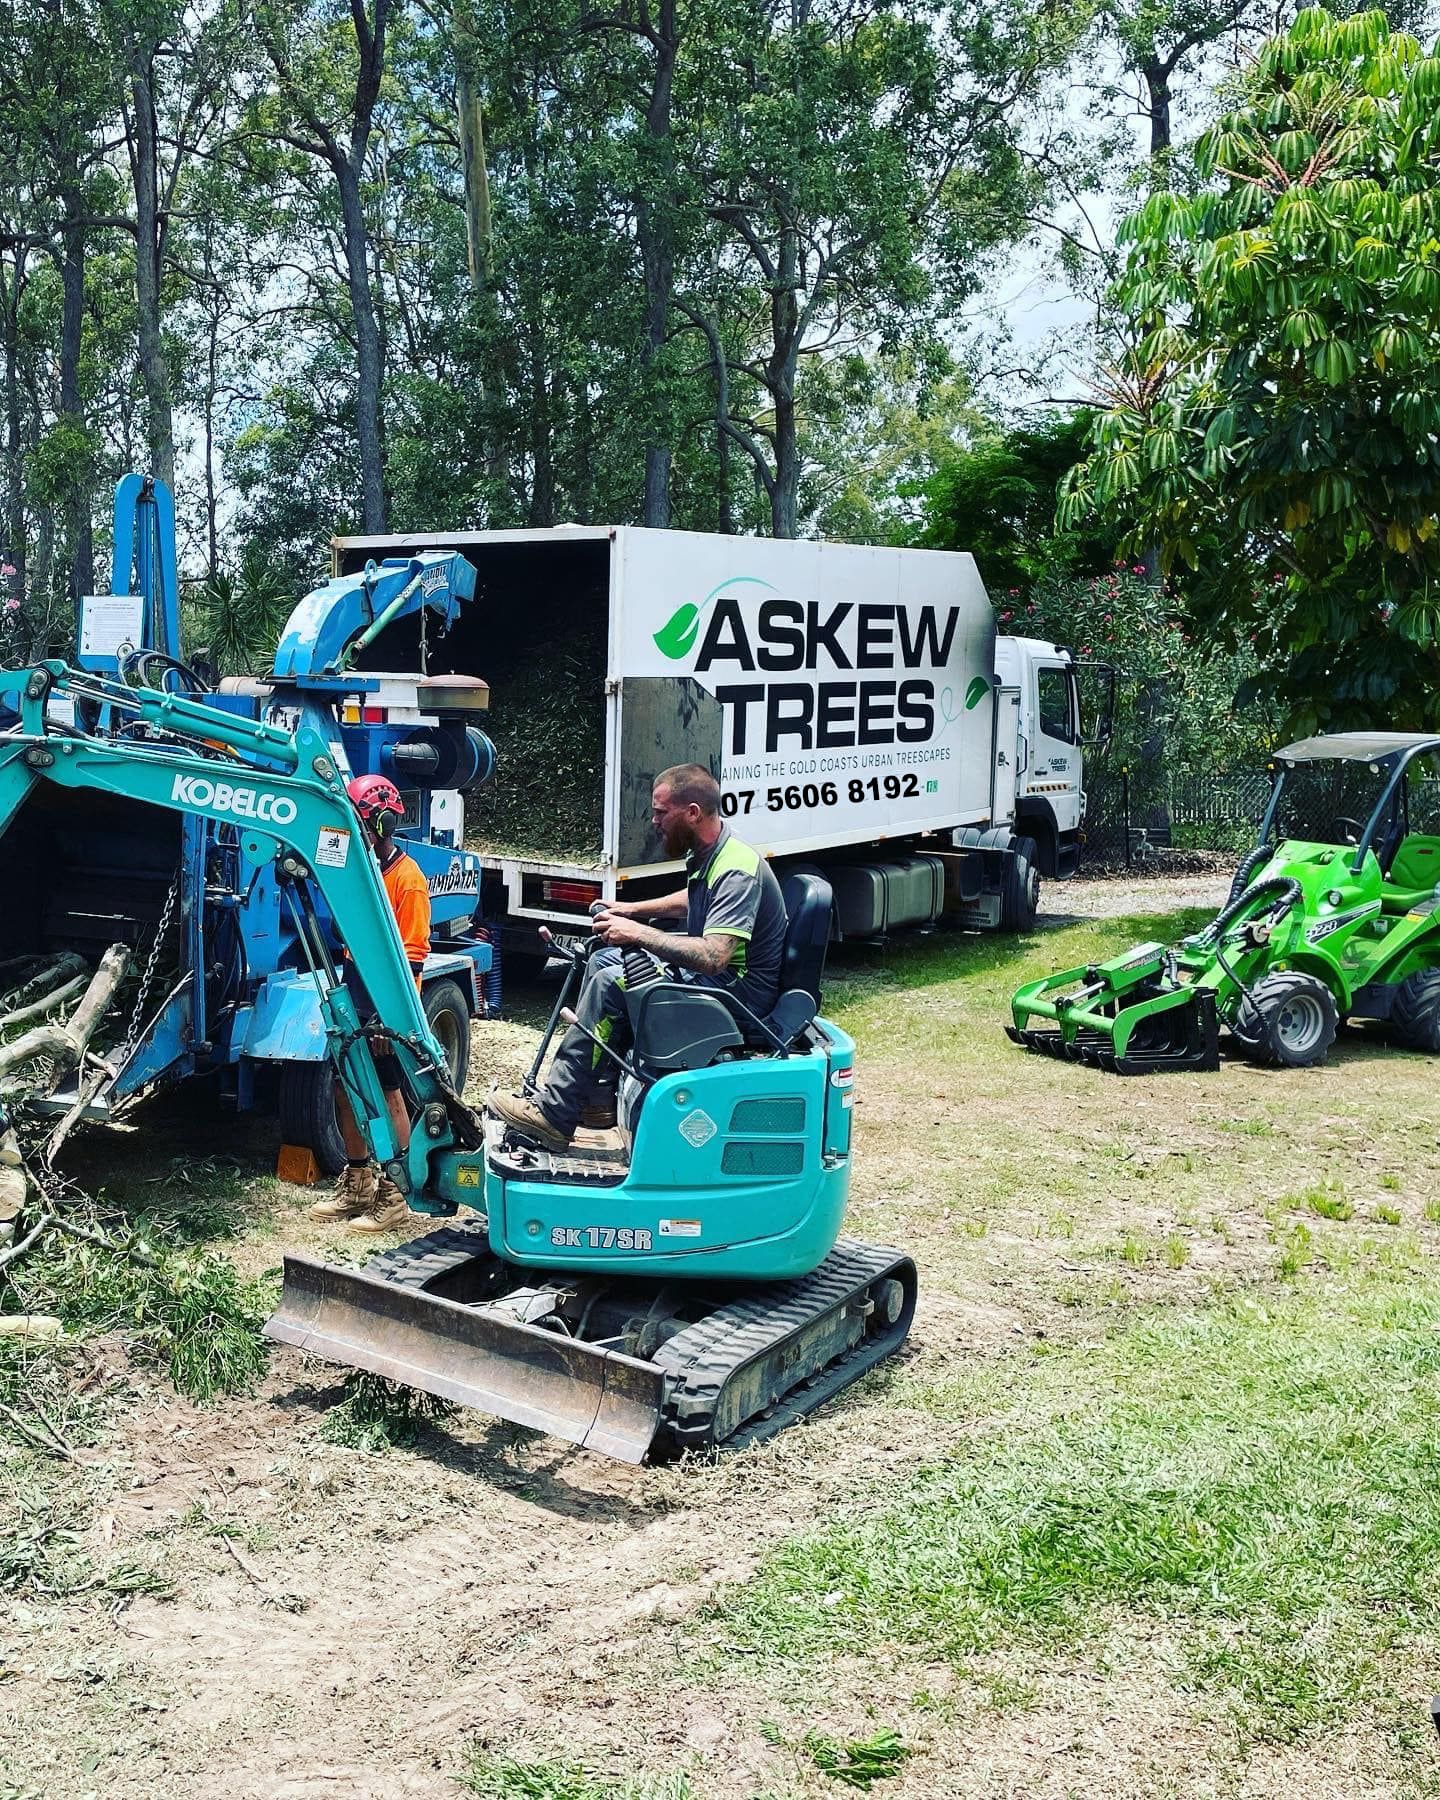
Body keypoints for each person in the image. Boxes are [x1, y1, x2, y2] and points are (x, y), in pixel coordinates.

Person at [491, 763, 787, 1149]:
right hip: (721, 981)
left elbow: (715, 956)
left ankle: (554, 1114)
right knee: (603, 960)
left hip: (738, 995)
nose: (654, 821)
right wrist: (632, 910)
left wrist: (639, 934)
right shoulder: (713, 853)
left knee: (612, 982)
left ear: (692, 812)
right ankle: (596, 1099)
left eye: (661, 812)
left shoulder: (736, 870)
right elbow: (694, 899)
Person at [309, 773, 432, 1234]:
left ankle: (395, 1192)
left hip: (388, 999)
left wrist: (387, 1018)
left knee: (388, 1092)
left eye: (359, 825)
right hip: (355, 985)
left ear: (382, 824)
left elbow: (413, 957)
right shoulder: (360, 873)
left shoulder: (408, 880)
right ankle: (358, 1182)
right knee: (347, 1087)